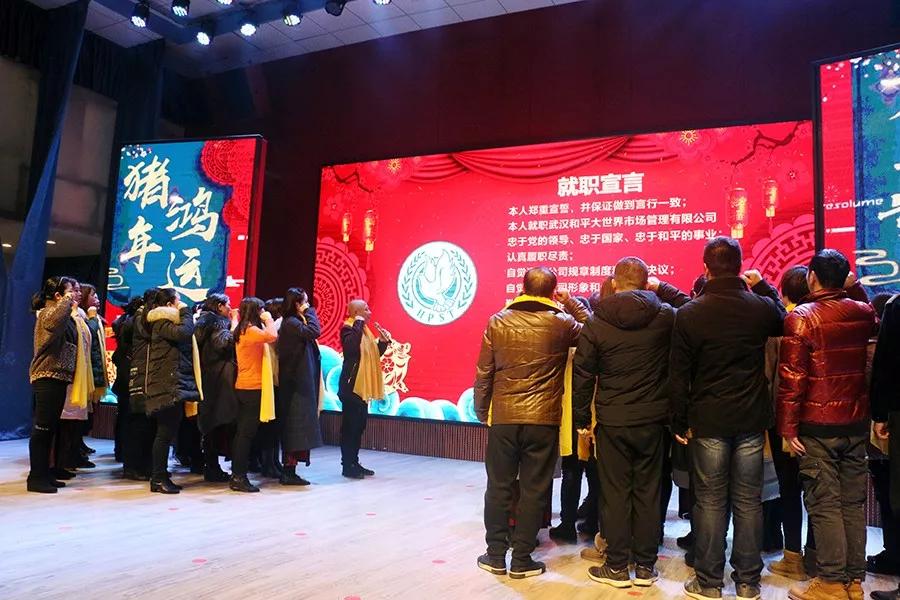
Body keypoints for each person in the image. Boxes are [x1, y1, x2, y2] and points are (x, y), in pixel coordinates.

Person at [670, 237, 786, 600]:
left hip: (708, 419)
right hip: (750, 418)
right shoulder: (759, 307)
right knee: (749, 501)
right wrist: (763, 286)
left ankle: (709, 582)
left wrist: (678, 421)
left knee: (709, 501)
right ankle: (748, 582)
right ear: (740, 267)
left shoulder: (690, 313)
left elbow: (678, 374)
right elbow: (783, 319)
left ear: (706, 268)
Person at [572, 258, 688, 588]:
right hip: (653, 421)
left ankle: (617, 567)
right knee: (649, 493)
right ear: (647, 282)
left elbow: (583, 374)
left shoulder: (597, 320)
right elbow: (681, 360)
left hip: (612, 421)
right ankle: (646, 567)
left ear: (615, 282)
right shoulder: (667, 316)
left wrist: (582, 420)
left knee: (615, 495)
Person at [474, 267, 588, 579]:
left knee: (498, 487)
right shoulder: (563, 323)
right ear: (553, 292)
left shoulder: (498, 321)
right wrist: (572, 302)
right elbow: (594, 330)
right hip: (543, 420)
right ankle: (522, 560)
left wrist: (482, 411)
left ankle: (495, 555)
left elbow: (484, 372)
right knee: (534, 490)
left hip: (505, 418)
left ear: (522, 288)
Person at [778, 250, 876, 600]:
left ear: (812, 278)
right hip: (855, 422)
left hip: (817, 425)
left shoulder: (801, 318)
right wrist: (854, 288)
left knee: (825, 504)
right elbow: (871, 317)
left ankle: (831, 583)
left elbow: (792, 379)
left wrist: (788, 428)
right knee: (852, 504)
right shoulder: (862, 312)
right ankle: (854, 582)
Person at [766, 266, 818, 582]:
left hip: (783, 418)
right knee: (818, 491)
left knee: (788, 489)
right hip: (819, 418)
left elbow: (771, 377)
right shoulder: (822, 320)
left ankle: (792, 557)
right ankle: (815, 556)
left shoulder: (782, 325)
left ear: (784, 292)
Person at [145, 288, 199, 494]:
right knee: (164, 433)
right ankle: (158, 478)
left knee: (167, 432)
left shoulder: (166, 322)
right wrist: (186, 311)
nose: (181, 303)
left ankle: (161, 475)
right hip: (166, 384)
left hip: (170, 382)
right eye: (179, 300)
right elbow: (184, 332)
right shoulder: (162, 321)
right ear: (169, 304)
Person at [27, 276, 77, 493]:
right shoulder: (47, 313)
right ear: (57, 295)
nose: (74, 295)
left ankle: (45, 472)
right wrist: (66, 301)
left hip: (58, 377)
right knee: (43, 428)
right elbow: (55, 322)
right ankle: (35, 477)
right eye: (70, 292)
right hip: (46, 376)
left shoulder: (61, 313)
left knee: (50, 429)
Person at [867, 292, 900, 579]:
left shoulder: (896, 307)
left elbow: (885, 367)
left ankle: (894, 556)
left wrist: (880, 415)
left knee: (893, 493)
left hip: (895, 414)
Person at [276, 288, 323, 486]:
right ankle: (288, 471)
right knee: (294, 427)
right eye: (304, 302)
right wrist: (310, 312)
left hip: (300, 383)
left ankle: (291, 469)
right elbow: (314, 331)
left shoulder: (294, 322)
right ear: (297, 304)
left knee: (299, 426)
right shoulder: (291, 323)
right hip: (294, 384)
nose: (308, 305)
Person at [338, 299, 389, 479]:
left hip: (362, 388)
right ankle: (347, 465)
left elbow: (371, 357)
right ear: (356, 313)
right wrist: (358, 323)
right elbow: (352, 349)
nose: (370, 312)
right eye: (366, 309)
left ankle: (354, 461)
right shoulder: (348, 328)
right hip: (351, 387)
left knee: (359, 426)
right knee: (350, 428)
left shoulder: (365, 331)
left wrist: (382, 342)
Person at [232, 297, 278, 493]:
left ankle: (237, 474)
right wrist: (268, 318)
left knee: (242, 433)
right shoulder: (250, 331)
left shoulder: (240, 329)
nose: (263, 312)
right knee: (246, 434)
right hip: (253, 387)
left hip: (243, 385)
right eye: (261, 309)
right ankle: (239, 477)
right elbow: (272, 336)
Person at [193, 293, 237, 483]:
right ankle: (213, 468)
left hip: (206, 376)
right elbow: (223, 343)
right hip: (219, 378)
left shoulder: (202, 322)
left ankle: (210, 466)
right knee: (219, 422)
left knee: (209, 423)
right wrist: (234, 324)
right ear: (219, 306)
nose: (230, 308)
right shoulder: (218, 322)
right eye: (228, 305)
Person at [126, 287, 161, 481]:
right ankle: (134, 467)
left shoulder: (142, 316)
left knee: (147, 425)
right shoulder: (141, 317)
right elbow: (149, 334)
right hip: (142, 374)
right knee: (140, 425)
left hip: (147, 374)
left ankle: (146, 466)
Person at [111, 295, 143, 464]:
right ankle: (127, 454)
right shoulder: (133, 324)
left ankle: (120, 451)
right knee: (129, 416)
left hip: (122, 376)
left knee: (123, 415)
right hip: (129, 375)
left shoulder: (121, 322)